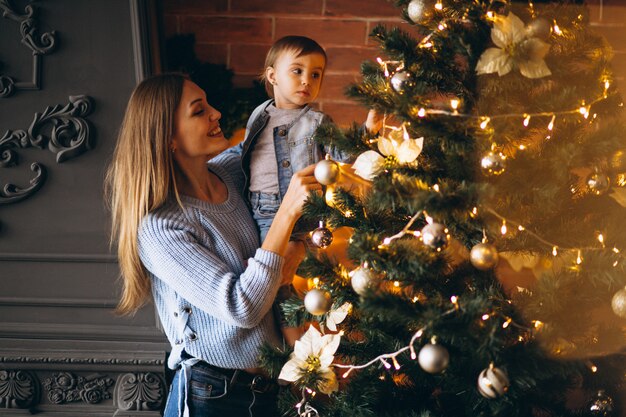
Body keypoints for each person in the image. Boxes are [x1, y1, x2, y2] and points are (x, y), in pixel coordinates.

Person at [105, 73, 322, 417]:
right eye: (198, 111)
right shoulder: (161, 229)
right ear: (168, 138)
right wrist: (287, 214)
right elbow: (242, 308)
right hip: (214, 396)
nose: (216, 113)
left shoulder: (235, 173)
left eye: (208, 104)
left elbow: (290, 146)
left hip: (274, 390)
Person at [229, 36, 383, 345]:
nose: (307, 81)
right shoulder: (258, 115)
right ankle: (294, 343)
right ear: (272, 76)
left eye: (316, 74)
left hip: (304, 212)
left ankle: (307, 344)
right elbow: (243, 156)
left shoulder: (316, 122)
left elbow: (342, 154)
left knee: (295, 279)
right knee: (276, 281)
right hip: (264, 211)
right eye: (297, 71)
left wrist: (369, 132)